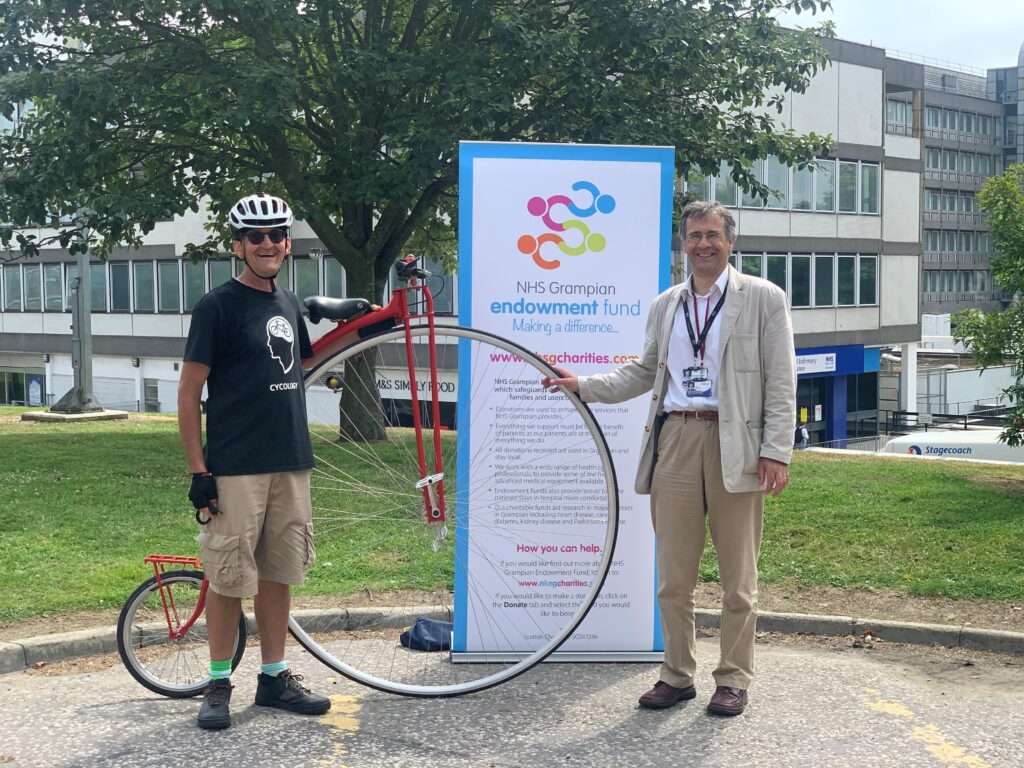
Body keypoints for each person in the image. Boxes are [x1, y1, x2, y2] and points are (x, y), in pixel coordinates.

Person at [541, 200, 796, 716]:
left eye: (714, 235)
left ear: (730, 241)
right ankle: (677, 676)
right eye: (695, 235)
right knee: (673, 577)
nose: (704, 244)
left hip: (737, 446)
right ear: (684, 243)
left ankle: (733, 679)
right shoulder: (666, 305)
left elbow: (781, 381)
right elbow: (642, 372)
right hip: (676, 441)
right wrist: (582, 385)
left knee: (737, 578)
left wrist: (776, 451)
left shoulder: (765, 299)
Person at [177, 192, 331, 730]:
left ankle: (274, 678)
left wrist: (367, 320)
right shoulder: (216, 307)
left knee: (278, 573)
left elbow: (306, 365)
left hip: (290, 459)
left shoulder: (286, 302)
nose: (268, 244)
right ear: (239, 245)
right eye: (256, 237)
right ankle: (218, 683)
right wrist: (200, 472)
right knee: (227, 578)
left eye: (277, 235)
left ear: (287, 243)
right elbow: (189, 392)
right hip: (236, 465)